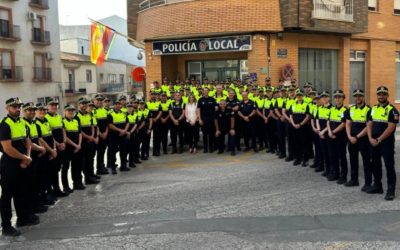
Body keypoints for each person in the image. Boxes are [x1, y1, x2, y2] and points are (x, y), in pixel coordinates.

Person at [0, 98, 36, 236]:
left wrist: (27, 157)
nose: (17, 109)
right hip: (9, 163)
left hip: (23, 161)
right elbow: (7, 148)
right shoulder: (4, 124)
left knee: (21, 192)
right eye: (14, 107)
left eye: (19, 106)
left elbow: (28, 142)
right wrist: (24, 158)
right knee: (7, 195)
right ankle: (6, 226)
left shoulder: (23, 123)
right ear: (7, 108)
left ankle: (22, 218)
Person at [367, 86, 399, 200]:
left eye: (383, 94)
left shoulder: (392, 110)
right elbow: (369, 124)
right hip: (373, 141)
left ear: (387, 95)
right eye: (379, 94)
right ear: (377, 95)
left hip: (386, 143)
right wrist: (370, 138)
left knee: (389, 166)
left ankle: (391, 190)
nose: (381, 96)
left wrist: (379, 139)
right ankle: (377, 186)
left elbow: (391, 127)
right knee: (375, 164)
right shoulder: (373, 109)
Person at [344, 89, 372, 192]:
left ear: (363, 97)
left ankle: (368, 183)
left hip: (363, 139)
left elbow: (368, 126)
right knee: (353, 160)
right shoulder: (351, 109)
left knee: (366, 161)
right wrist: (349, 136)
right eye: (356, 96)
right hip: (351, 139)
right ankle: (354, 180)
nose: (358, 98)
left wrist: (357, 137)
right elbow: (347, 123)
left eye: (360, 96)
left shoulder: (368, 109)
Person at [22, 102, 48, 214]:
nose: (32, 112)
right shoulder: (23, 123)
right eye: (29, 110)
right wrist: (41, 149)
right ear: (24, 111)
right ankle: (32, 207)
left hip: (37, 156)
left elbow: (37, 139)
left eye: (33, 110)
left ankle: (38, 203)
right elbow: (28, 143)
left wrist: (41, 150)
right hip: (28, 157)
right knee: (30, 185)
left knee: (37, 182)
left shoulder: (34, 123)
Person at [45, 98, 69, 198]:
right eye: (52, 105)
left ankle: (57, 189)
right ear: (47, 107)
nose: (54, 107)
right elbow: (49, 134)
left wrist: (63, 142)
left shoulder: (59, 117)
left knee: (57, 169)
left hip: (62, 147)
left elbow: (63, 130)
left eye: (55, 105)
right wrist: (58, 144)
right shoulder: (45, 118)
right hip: (53, 148)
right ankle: (52, 191)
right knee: (51, 171)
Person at [35, 103, 58, 205]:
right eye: (40, 110)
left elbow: (50, 136)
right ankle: (43, 198)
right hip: (44, 153)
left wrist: (54, 148)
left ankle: (50, 194)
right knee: (42, 177)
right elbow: (40, 140)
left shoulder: (46, 121)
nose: (43, 112)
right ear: (36, 111)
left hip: (50, 152)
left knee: (49, 174)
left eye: (44, 110)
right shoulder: (36, 123)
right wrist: (50, 150)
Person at [76, 98, 99, 184]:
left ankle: (91, 175)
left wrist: (92, 136)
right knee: (84, 161)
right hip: (83, 141)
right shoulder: (77, 116)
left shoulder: (89, 114)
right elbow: (79, 130)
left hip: (90, 140)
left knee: (91, 159)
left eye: (85, 103)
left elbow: (92, 126)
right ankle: (87, 178)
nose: (84, 105)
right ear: (79, 105)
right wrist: (88, 137)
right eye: (82, 103)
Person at [327, 90, 348, 183]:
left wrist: (333, 132)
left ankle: (343, 176)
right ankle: (335, 173)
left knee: (341, 156)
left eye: (339, 97)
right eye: (336, 97)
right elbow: (328, 121)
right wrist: (329, 131)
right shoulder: (332, 109)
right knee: (332, 155)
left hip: (341, 137)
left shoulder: (346, 110)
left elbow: (344, 124)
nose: (337, 99)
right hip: (331, 136)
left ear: (343, 98)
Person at [62, 104, 84, 191]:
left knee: (77, 166)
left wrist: (79, 145)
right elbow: (65, 137)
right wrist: (75, 145)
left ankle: (77, 183)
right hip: (68, 148)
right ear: (65, 111)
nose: (71, 112)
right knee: (65, 168)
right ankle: (65, 186)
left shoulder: (76, 121)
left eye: (72, 110)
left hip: (77, 147)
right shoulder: (62, 121)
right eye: (68, 110)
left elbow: (80, 133)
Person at [107, 98, 130, 174]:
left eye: (119, 104)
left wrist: (124, 131)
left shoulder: (124, 113)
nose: (118, 105)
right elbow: (110, 125)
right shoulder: (110, 114)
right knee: (112, 152)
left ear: (121, 105)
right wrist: (120, 131)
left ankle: (123, 166)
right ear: (114, 106)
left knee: (123, 151)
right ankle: (113, 168)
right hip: (113, 136)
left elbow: (127, 123)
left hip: (123, 135)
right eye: (116, 104)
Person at [289, 90, 310, 166]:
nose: (299, 97)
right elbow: (290, 116)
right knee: (296, 143)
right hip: (295, 127)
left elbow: (308, 116)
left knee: (304, 143)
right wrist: (294, 124)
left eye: (300, 95)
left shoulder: (306, 105)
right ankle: (298, 159)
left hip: (303, 127)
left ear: (302, 96)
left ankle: (305, 160)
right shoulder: (293, 104)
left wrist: (300, 124)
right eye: (298, 95)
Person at [316, 91, 332, 178]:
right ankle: (327, 169)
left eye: (326, 97)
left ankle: (331, 170)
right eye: (322, 97)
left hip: (328, 133)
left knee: (330, 153)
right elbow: (317, 119)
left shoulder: (332, 108)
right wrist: (319, 130)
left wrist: (323, 131)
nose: (324, 99)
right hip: (321, 133)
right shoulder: (320, 108)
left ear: (329, 98)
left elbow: (330, 123)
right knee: (324, 152)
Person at [197, 88, 218, 153]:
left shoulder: (212, 99)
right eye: (204, 91)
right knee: (205, 134)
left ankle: (211, 147)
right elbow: (198, 110)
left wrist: (216, 107)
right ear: (203, 92)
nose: (205, 92)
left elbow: (216, 107)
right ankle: (205, 148)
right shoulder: (200, 99)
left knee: (211, 134)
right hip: (203, 119)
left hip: (211, 119)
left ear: (208, 92)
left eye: (207, 91)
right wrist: (199, 119)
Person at [93, 94, 109, 175]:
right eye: (97, 100)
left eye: (100, 100)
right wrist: (100, 134)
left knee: (102, 152)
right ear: (94, 101)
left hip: (104, 135)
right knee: (97, 153)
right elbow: (95, 126)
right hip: (97, 136)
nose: (99, 101)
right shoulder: (92, 111)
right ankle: (98, 169)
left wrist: (105, 133)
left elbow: (107, 124)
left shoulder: (104, 110)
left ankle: (101, 166)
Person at [146, 92, 162, 156]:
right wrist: (151, 119)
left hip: (157, 122)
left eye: (154, 95)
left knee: (157, 137)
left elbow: (160, 112)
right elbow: (145, 113)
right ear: (150, 96)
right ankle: (146, 152)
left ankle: (156, 151)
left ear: (156, 96)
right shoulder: (146, 104)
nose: (153, 96)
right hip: (149, 123)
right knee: (147, 137)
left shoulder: (158, 103)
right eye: (152, 95)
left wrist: (156, 118)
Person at [126, 103, 138, 168]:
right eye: (128, 107)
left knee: (132, 149)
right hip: (125, 134)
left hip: (132, 134)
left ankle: (131, 163)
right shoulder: (124, 115)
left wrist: (130, 132)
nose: (130, 109)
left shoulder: (135, 115)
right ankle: (124, 163)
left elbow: (135, 125)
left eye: (131, 107)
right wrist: (127, 133)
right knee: (125, 150)